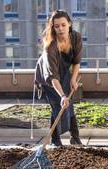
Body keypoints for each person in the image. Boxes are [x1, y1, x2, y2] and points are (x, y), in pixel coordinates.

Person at [38, 10, 83, 146]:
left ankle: (75, 137)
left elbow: (76, 62)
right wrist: (62, 95)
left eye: (63, 24)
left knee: (69, 104)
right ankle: (55, 140)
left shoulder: (75, 37)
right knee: (58, 103)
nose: (60, 28)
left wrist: (73, 79)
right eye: (56, 26)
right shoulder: (50, 47)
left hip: (64, 73)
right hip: (48, 75)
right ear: (53, 27)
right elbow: (52, 76)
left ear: (69, 23)